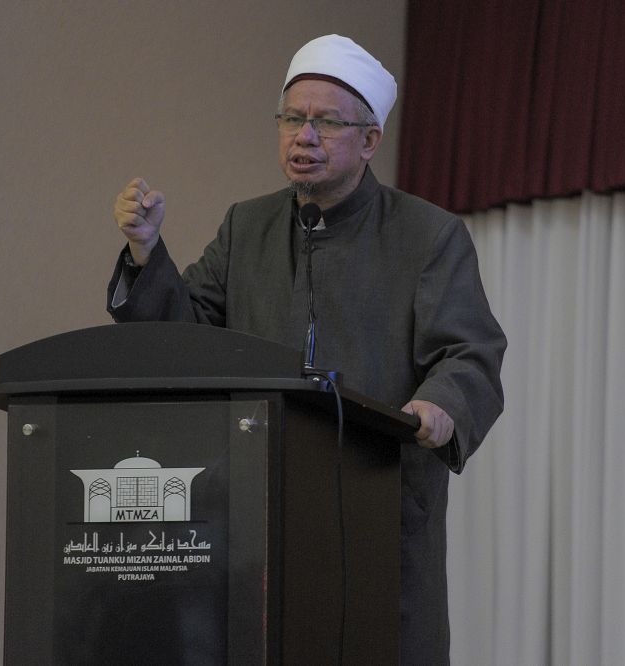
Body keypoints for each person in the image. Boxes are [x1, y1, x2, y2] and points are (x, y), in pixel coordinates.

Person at [107, 34, 505, 665]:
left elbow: (469, 352)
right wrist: (146, 253)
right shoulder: (247, 226)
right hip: (258, 511)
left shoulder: (428, 235)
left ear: (369, 140)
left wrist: (438, 405)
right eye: (293, 119)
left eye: (326, 123)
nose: (304, 137)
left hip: (377, 507)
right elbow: (183, 339)